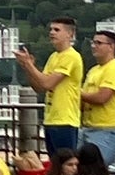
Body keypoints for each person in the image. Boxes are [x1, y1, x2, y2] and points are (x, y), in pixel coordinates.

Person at [17, 18, 85, 154]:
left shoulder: (71, 56)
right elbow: (39, 87)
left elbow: (47, 83)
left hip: (65, 120)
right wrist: (27, 67)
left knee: (65, 162)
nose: (52, 33)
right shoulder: (54, 56)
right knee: (54, 163)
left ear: (70, 34)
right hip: (51, 119)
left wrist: (30, 65)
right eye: (51, 29)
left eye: (57, 30)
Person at [80, 30, 115, 163]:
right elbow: (83, 100)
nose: (94, 46)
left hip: (110, 130)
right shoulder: (93, 70)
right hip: (89, 128)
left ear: (112, 46)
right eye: (93, 42)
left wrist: (74, 92)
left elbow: (102, 97)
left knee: (94, 168)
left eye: (98, 43)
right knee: (76, 166)